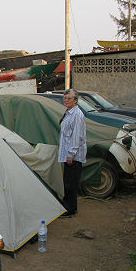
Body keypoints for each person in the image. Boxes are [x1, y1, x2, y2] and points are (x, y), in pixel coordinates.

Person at [58, 89, 87, 217]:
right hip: (68, 154)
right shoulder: (69, 112)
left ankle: (70, 208)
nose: (66, 100)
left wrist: (71, 154)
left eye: (69, 98)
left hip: (73, 156)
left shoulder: (77, 115)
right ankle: (67, 205)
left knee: (71, 183)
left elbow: (77, 136)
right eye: (65, 98)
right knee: (67, 182)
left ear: (76, 101)